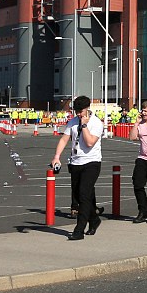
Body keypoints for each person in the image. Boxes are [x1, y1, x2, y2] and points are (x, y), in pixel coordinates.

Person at [51, 95, 103, 241]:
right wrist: (57, 156)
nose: (79, 114)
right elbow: (64, 139)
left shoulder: (96, 123)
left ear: (87, 109)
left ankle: (79, 230)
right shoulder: (73, 122)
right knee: (80, 196)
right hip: (75, 162)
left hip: (91, 162)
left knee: (84, 194)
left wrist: (84, 125)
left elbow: (90, 142)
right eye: (77, 111)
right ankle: (94, 219)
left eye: (81, 111)